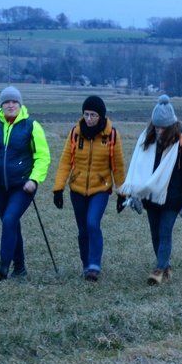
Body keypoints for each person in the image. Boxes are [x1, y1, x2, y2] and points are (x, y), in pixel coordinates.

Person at [0, 86, 50, 281]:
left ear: (20, 104)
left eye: (14, 102)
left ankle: (4, 264)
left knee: (9, 219)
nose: (10, 105)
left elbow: (43, 156)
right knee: (11, 223)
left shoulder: (31, 126)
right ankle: (20, 266)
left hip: (23, 185)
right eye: (6, 102)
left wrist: (34, 179)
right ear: (1, 105)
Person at [119, 95, 182, 286]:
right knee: (155, 234)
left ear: (171, 125)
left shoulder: (181, 142)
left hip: (173, 197)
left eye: (163, 127)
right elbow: (137, 167)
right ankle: (165, 265)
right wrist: (133, 193)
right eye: (156, 126)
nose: (159, 130)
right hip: (150, 196)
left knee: (164, 232)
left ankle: (158, 270)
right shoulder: (146, 138)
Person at [52, 96, 126, 282]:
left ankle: (94, 265)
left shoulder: (112, 136)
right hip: (77, 189)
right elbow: (65, 162)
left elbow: (117, 166)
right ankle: (86, 265)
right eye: (86, 114)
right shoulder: (75, 134)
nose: (89, 118)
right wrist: (58, 188)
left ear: (101, 116)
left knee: (93, 223)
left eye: (93, 115)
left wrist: (122, 193)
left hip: (100, 188)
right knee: (83, 229)